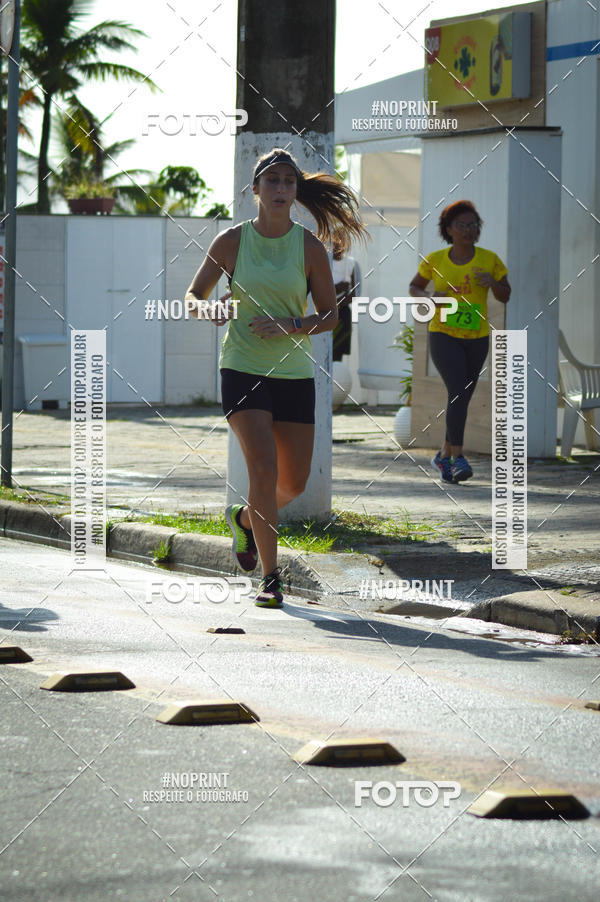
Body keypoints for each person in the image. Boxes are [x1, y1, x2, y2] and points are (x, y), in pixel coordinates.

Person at [186, 148, 367, 607]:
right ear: (256, 189)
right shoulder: (231, 241)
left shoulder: (309, 247)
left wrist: (292, 324)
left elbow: (330, 316)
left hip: (293, 372)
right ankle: (271, 578)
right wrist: (208, 310)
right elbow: (193, 295)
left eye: (289, 181)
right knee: (263, 471)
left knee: (293, 484)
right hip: (242, 366)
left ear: (295, 190)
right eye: (273, 180)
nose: (282, 188)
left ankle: (246, 521)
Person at [409, 199, 510, 484]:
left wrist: (492, 282)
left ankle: (443, 455)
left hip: (476, 337)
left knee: (462, 396)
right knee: (457, 391)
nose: (468, 230)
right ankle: (458, 458)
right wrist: (429, 297)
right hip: (443, 334)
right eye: (462, 225)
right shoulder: (436, 260)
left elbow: (505, 294)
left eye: (473, 225)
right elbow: (414, 286)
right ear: (449, 229)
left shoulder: (490, 260)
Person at [331, 229, 357, 363]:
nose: (339, 244)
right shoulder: (324, 260)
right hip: (324, 310)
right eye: (336, 241)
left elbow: (355, 292)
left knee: (338, 351)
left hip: (342, 312)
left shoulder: (351, 263)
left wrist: (338, 303)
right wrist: (337, 288)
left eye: (343, 241)